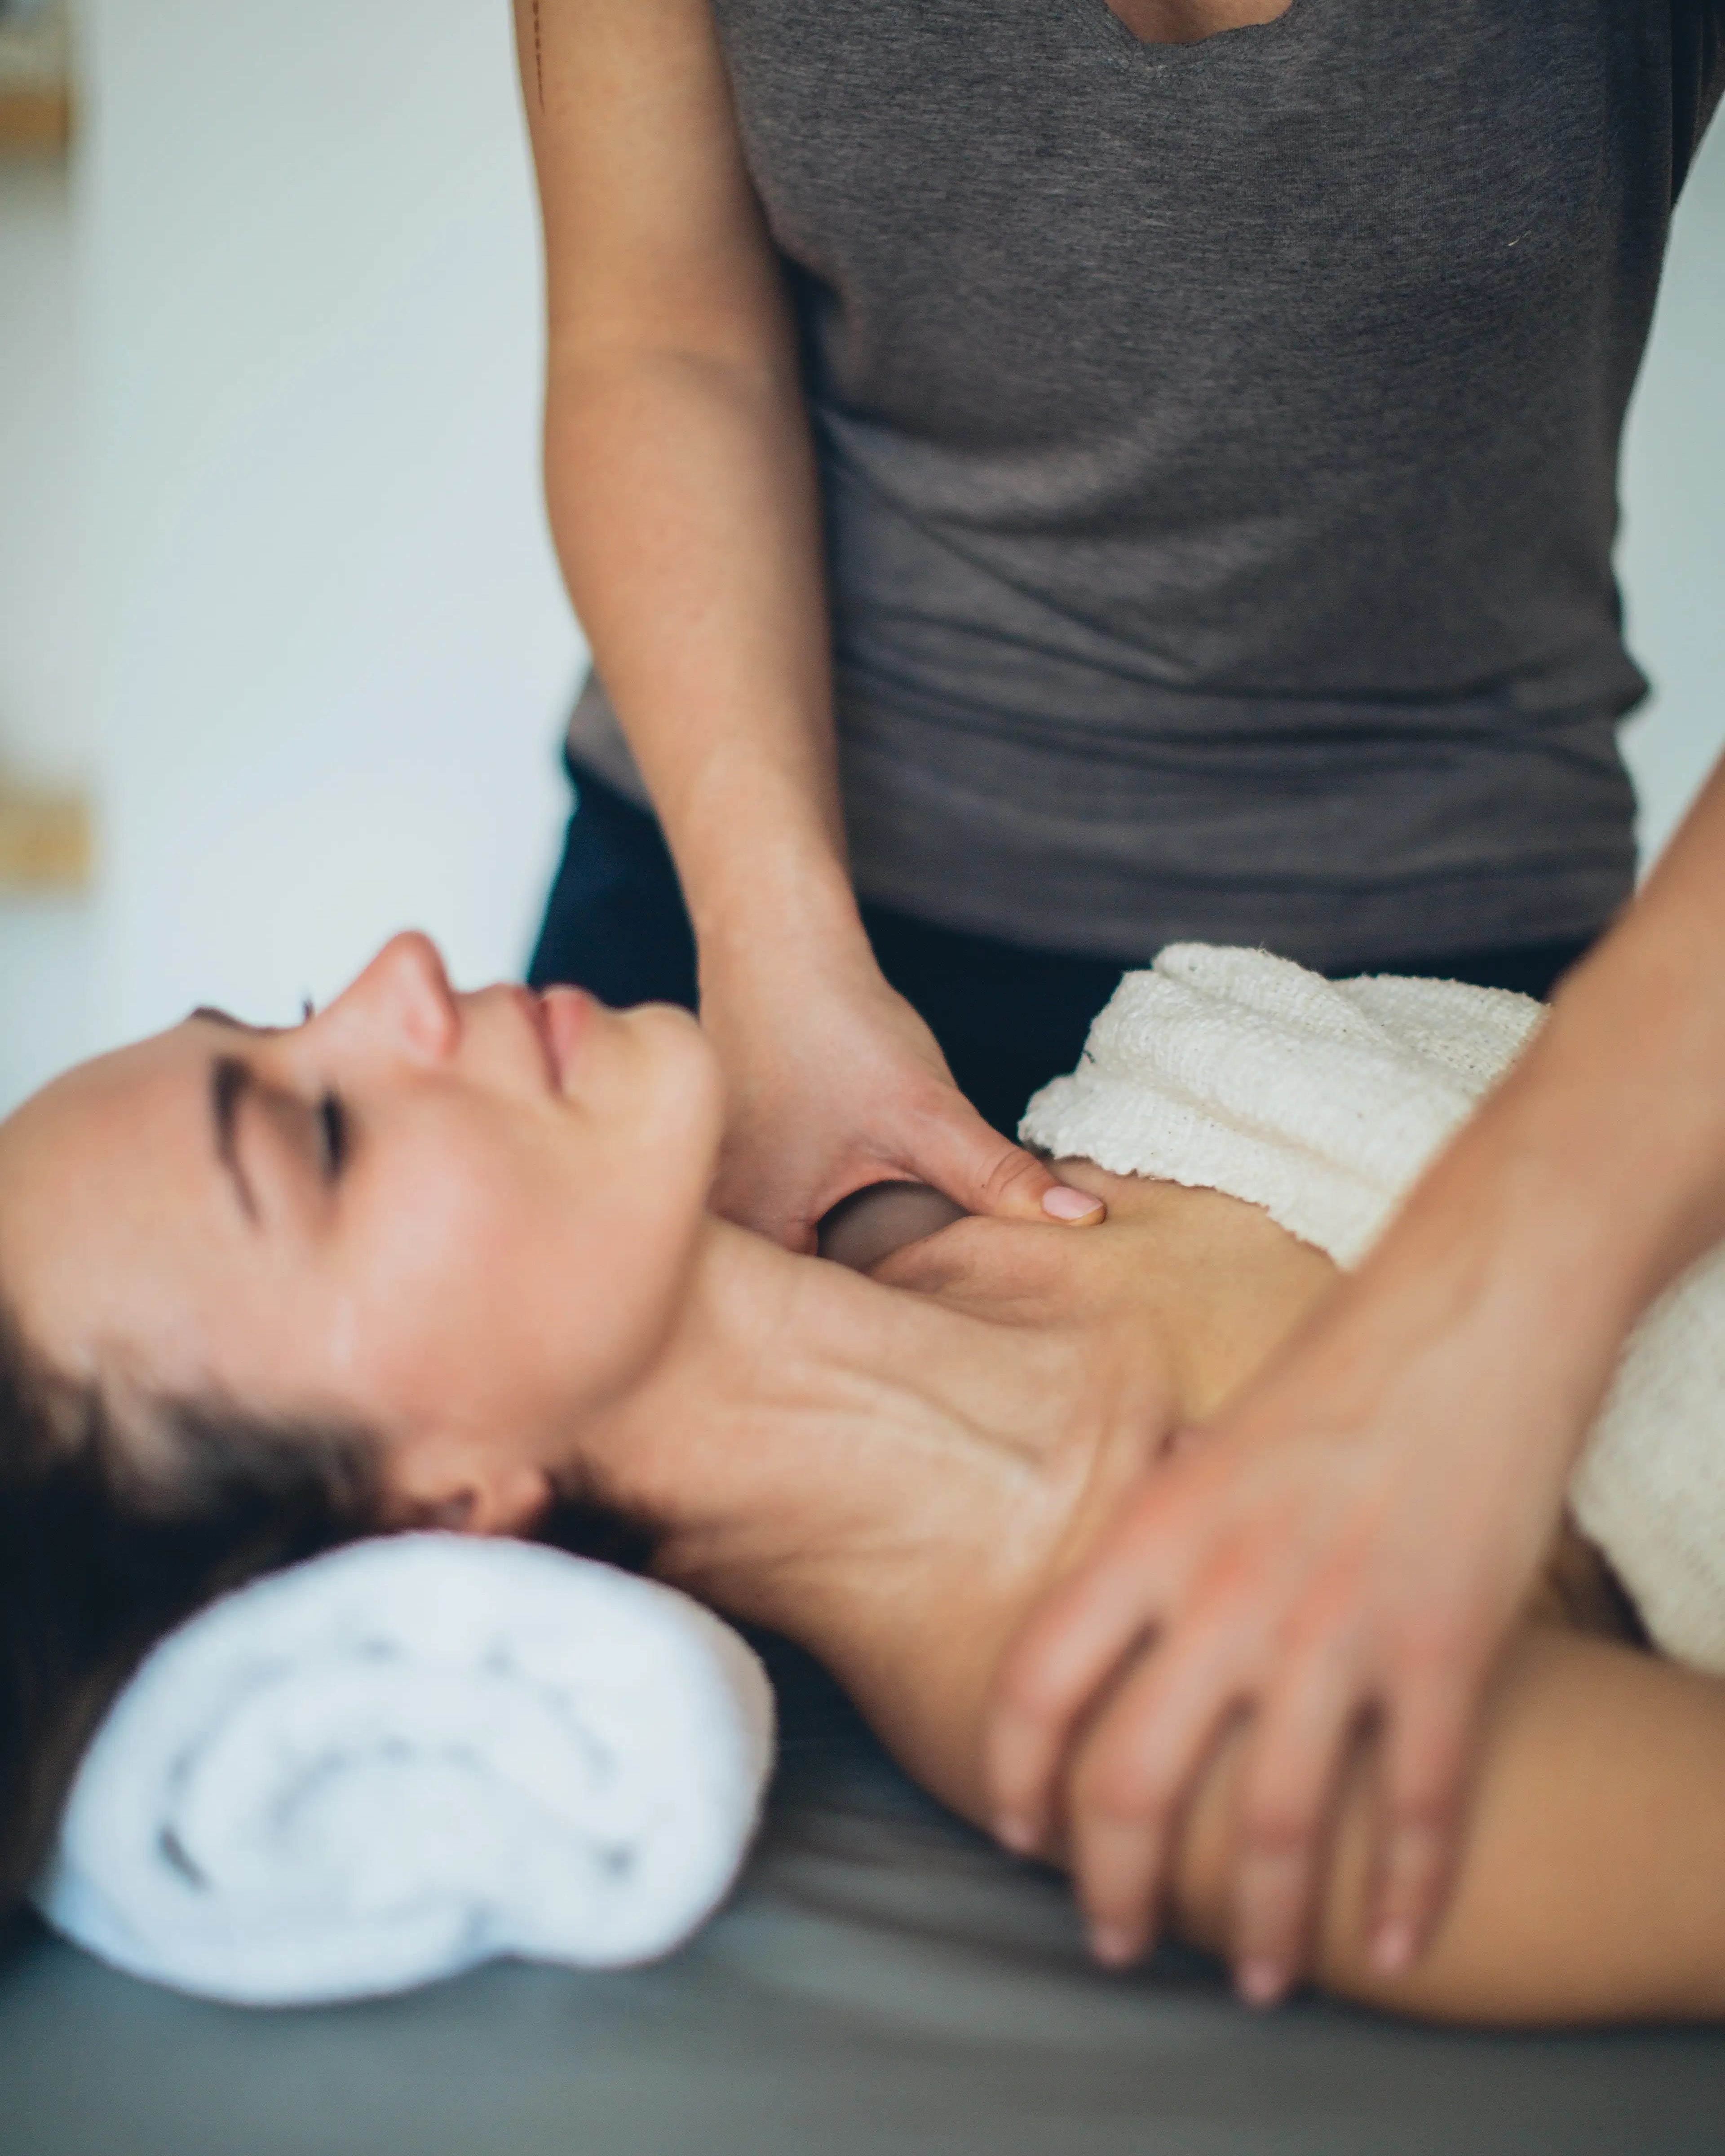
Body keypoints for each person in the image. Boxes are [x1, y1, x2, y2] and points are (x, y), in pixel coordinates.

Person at [510, 0, 1725, 1992]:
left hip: (1440, 936)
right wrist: (778, 942)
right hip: (760, 928)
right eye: (284, 1111)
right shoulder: (986, 1557)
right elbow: (660, 330)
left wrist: (1484, 1338)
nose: (390, 977)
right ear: (432, 1500)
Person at [5, 930, 1725, 2026]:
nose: (395, 966)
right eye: (318, 1137)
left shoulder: (1060, 1131)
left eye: (296, 1020)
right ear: (432, 1521)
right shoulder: (1189, 1729)